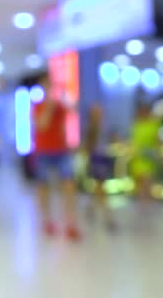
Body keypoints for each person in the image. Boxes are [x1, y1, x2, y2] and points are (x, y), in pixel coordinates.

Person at [32, 74, 81, 241]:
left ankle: (71, 222)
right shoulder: (37, 106)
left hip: (61, 150)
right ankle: (46, 221)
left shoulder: (61, 105)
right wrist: (49, 107)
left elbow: (74, 112)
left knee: (69, 185)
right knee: (43, 186)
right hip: (43, 151)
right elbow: (42, 125)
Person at [84, 104, 116, 231]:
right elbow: (88, 146)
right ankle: (108, 217)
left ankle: (90, 207)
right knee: (101, 187)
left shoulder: (105, 127)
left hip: (104, 159)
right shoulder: (91, 128)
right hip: (96, 159)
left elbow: (112, 140)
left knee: (99, 187)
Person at [129, 104, 162, 199]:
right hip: (137, 159)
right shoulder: (136, 125)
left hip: (149, 159)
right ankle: (142, 206)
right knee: (139, 186)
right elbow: (133, 142)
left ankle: (147, 205)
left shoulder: (154, 125)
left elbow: (158, 141)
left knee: (147, 183)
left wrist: (159, 154)